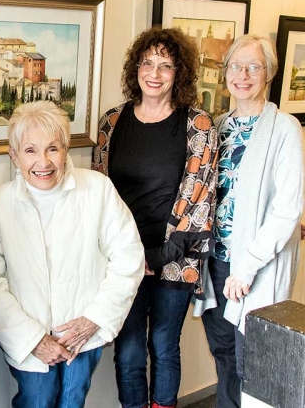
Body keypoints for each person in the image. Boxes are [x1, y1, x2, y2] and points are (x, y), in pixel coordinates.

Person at [0, 100, 145, 408]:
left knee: (72, 401)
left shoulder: (97, 190)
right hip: (29, 336)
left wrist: (94, 319)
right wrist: (33, 339)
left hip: (81, 334)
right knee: (36, 401)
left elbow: (129, 258)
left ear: (66, 149)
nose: (43, 162)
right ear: (13, 156)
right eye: (30, 151)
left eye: (53, 148)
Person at [92, 27, 218, 408]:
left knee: (163, 346)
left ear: (179, 73)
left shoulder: (198, 126)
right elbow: (100, 195)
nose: (155, 73)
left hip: (175, 258)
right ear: (135, 69)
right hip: (123, 258)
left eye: (166, 65)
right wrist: (130, 256)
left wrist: (157, 256)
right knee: (128, 352)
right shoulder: (112, 123)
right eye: (148, 63)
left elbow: (201, 196)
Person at [197, 34, 304, 408]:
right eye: (235, 66)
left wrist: (247, 266)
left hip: (254, 270)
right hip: (217, 264)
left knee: (255, 367)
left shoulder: (286, 130)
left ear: (269, 74)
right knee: (225, 357)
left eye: (253, 67)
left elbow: (288, 210)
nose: (243, 75)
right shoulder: (217, 126)